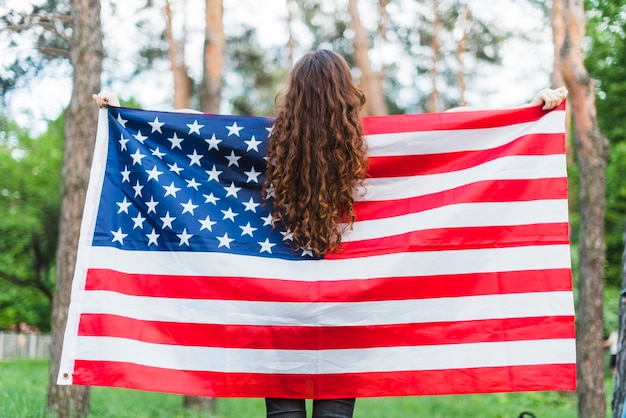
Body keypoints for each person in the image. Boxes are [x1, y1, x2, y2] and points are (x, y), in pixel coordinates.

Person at [93, 49, 567, 418]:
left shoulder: (259, 145)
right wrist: (528, 108)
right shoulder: (375, 147)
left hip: (276, 309)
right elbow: (460, 126)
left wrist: (124, 114)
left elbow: (190, 127)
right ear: (347, 93)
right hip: (350, 309)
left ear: (294, 94)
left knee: (282, 412)